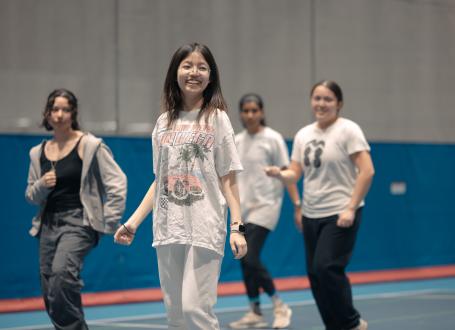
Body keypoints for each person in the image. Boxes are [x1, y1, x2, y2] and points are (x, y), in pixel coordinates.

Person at [114, 42, 247, 330]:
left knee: (195, 310)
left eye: (202, 67)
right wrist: (133, 223)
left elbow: (229, 179)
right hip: (168, 227)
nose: (194, 72)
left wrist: (236, 228)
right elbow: (159, 181)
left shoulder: (217, 119)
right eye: (187, 65)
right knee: (176, 315)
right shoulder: (163, 123)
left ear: (211, 77)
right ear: (175, 72)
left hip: (205, 225)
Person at [266, 80, 374, 330]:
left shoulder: (348, 130)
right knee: (315, 276)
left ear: (339, 103)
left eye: (327, 99)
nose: (321, 103)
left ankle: (352, 323)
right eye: (317, 98)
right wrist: (280, 174)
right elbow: (295, 172)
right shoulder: (304, 134)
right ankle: (333, 326)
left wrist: (350, 208)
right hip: (311, 214)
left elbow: (367, 171)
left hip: (340, 213)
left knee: (326, 267)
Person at [25, 88, 127, 330]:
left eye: (65, 109)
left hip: (79, 222)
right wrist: (41, 185)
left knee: (62, 277)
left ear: (73, 113)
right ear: (47, 114)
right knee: (50, 288)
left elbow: (117, 182)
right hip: (48, 224)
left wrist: (108, 222)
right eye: (55, 109)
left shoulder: (89, 145)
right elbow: (30, 195)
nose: (59, 114)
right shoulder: (37, 152)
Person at [229, 93, 300, 329]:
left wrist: (297, 205)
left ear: (261, 112)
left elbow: (287, 173)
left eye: (254, 110)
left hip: (267, 207)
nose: (250, 115)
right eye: (245, 111)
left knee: (251, 257)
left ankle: (279, 305)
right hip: (243, 209)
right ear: (240, 113)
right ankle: (255, 311)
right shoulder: (237, 141)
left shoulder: (273, 139)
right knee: (243, 259)